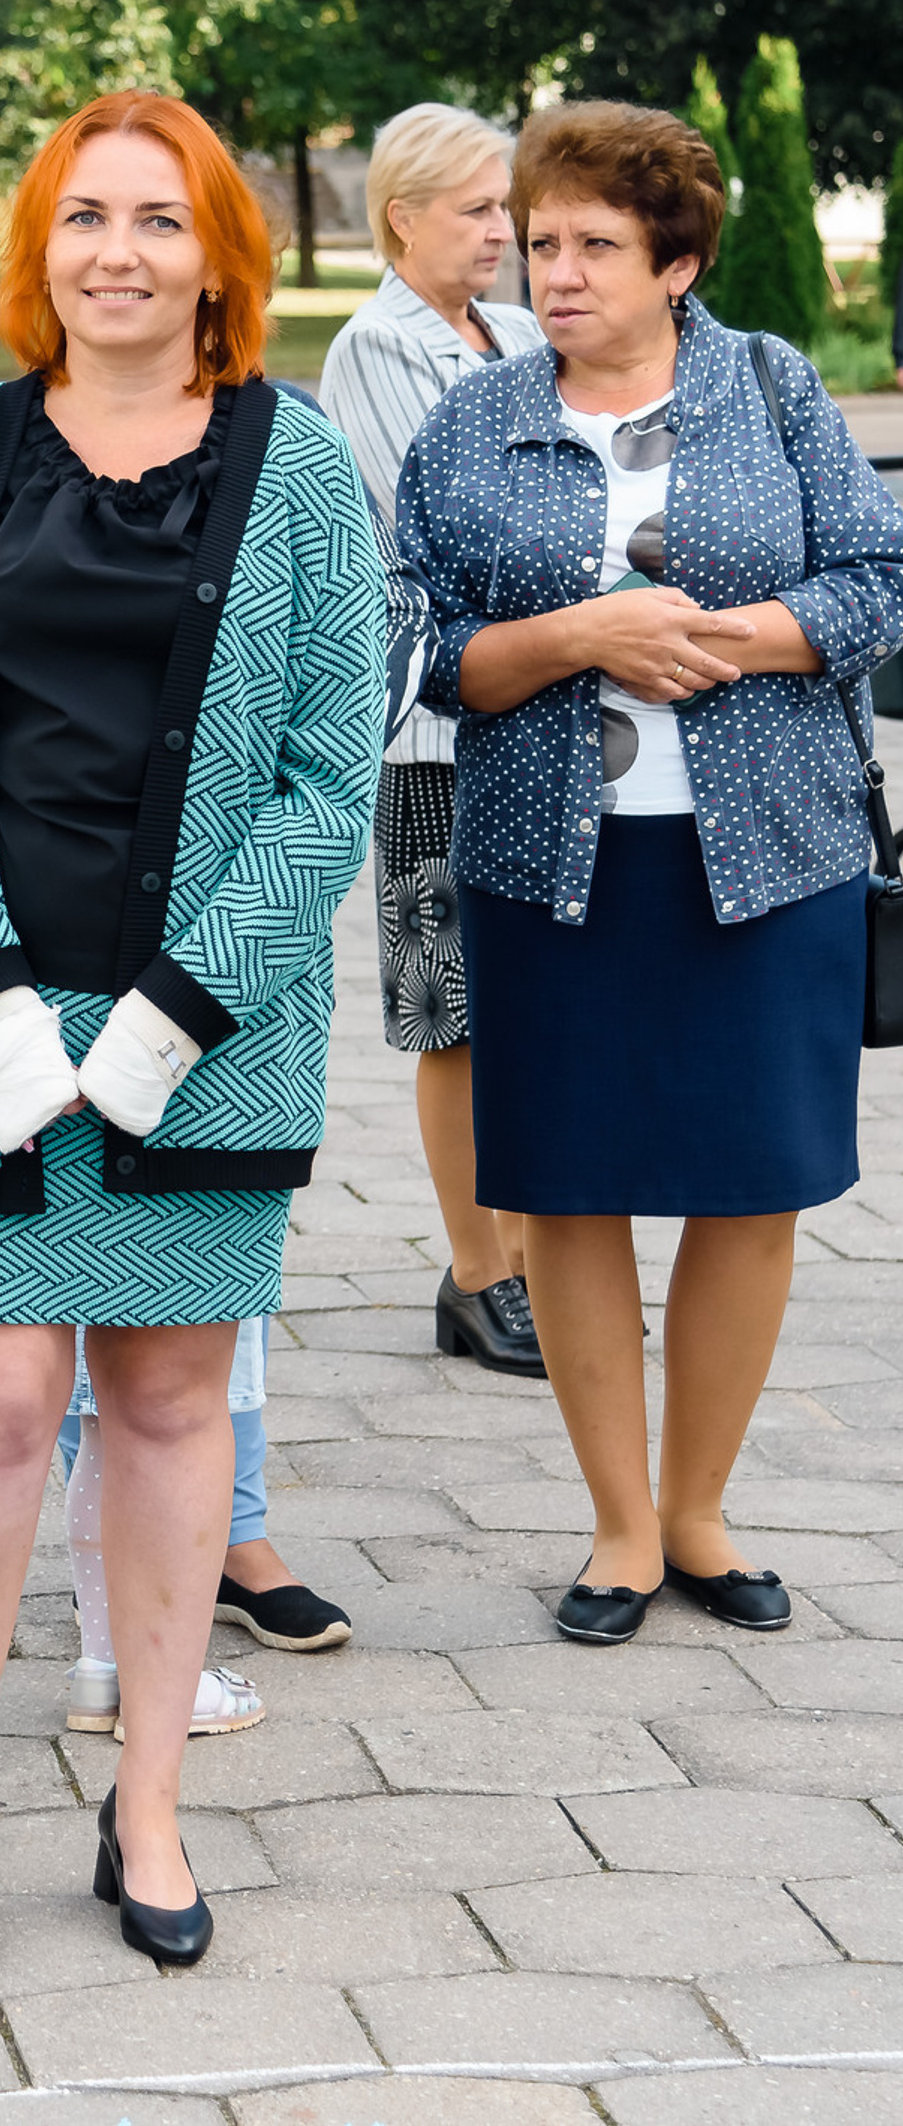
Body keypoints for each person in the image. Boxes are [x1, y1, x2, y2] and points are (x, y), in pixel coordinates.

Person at [0, 92, 384, 1982]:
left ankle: (148, 1801)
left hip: (211, 1040)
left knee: (166, 1404)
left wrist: (176, 1010)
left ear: (220, 256)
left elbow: (326, 780)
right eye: (86, 218)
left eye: (161, 220)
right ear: (41, 248)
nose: (120, 253)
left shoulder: (301, 470)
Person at [397, 100, 903, 1647]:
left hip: (775, 863)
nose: (553, 273)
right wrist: (579, 637)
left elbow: (879, 582)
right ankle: (620, 1530)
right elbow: (412, 641)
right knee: (572, 1191)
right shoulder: (469, 423)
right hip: (545, 870)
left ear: (676, 261)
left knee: (753, 1191)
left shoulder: (776, 386)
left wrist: (711, 639)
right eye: (540, 242)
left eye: (595, 246)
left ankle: (700, 1514)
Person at [320, 103, 546, 1377]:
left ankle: (530, 1255)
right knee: (448, 1011)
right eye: (476, 209)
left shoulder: (516, 331)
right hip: (431, 735)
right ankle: (477, 1274)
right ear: (401, 218)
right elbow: (462, 516)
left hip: (543, 721)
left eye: (505, 207)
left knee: (530, 1008)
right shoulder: (374, 345)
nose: (502, 231)